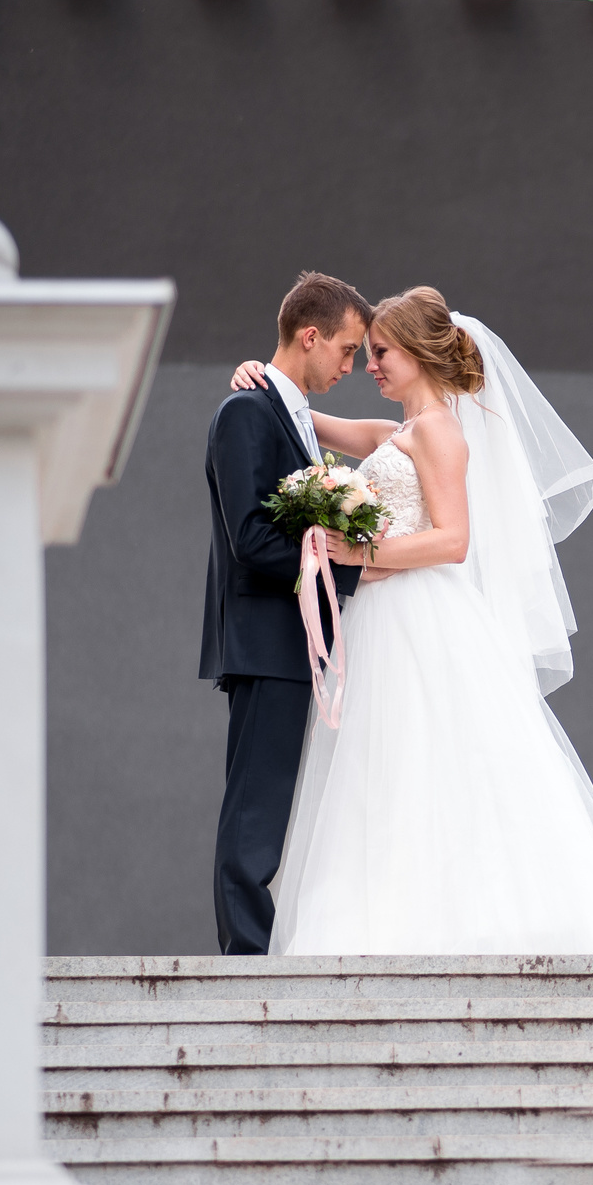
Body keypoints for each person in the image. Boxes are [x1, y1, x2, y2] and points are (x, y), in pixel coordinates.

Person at [229, 288, 593, 955]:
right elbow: (308, 421)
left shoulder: (438, 431)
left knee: (427, 763)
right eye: (367, 352)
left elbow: (452, 540)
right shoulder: (400, 432)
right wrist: (261, 379)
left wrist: (358, 553)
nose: (371, 365)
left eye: (380, 353)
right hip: (382, 614)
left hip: (420, 616)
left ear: (417, 353)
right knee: (385, 774)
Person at [202, 271, 372, 955]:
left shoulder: (288, 409)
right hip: (266, 642)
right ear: (311, 335)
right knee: (256, 810)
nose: (352, 366)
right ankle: (245, 957)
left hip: (290, 642)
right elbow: (249, 537)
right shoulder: (246, 412)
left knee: (274, 807)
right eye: (348, 349)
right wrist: (340, 561)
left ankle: (259, 947)